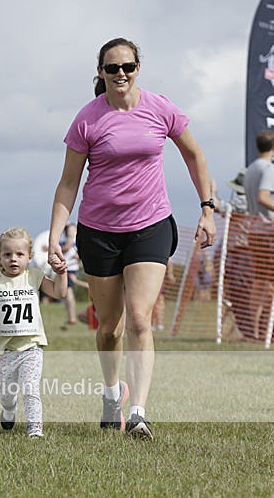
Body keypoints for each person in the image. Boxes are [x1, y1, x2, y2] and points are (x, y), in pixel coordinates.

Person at [47, 37, 216, 439]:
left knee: (140, 318)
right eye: (112, 68)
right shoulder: (87, 119)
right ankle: (111, 396)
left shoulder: (160, 108)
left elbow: (195, 155)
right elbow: (69, 183)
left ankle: (138, 412)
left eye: (127, 66)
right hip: (100, 231)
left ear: (138, 67)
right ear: (100, 73)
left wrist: (207, 207)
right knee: (109, 327)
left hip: (150, 225)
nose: (120, 74)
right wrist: (56, 235)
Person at [0, 227, 67, 438]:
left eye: (19, 254)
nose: (13, 259)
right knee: (6, 394)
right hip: (5, 350)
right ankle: (8, 409)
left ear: (29, 257)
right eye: (7, 254)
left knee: (30, 389)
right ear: (0, 256)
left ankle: (35, 429)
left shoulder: (35, 277)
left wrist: (61, 273)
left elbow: (59, 292)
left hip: (31, 347)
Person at [243, 130, 274, 341]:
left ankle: (256, 332)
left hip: (253, 230)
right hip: (267, 232)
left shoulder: (251, 169)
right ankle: (263, 332)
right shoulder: (269, 168)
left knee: (260, 284)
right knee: (267, 285)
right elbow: (264, 197)